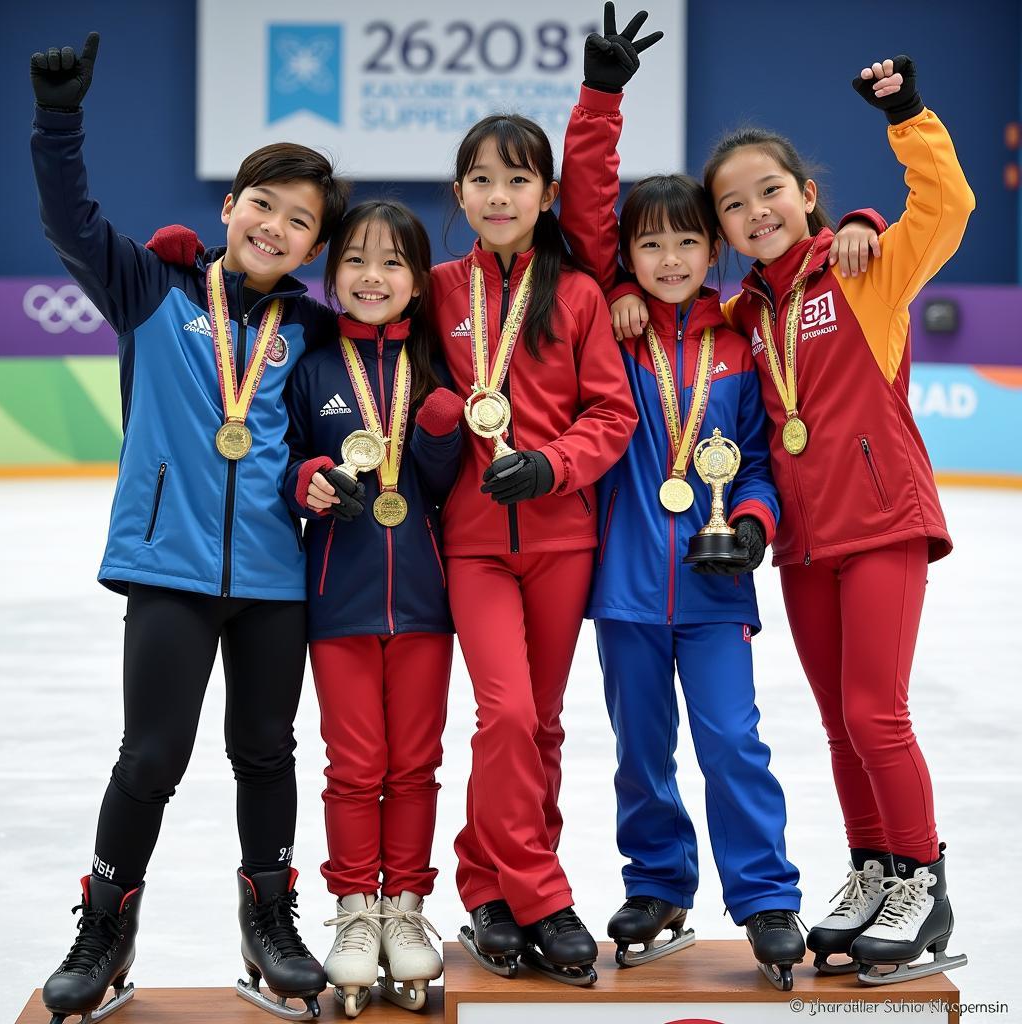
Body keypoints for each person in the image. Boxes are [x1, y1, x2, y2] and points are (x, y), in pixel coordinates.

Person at [30, 33, 346, 1022]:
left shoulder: (309, 332)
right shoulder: (152, 290)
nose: (275, 226)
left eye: (299, 221)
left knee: (266, 748)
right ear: (229, 207)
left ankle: (271, 919)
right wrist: (59, 121)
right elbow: (70, 222)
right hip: (167, 567)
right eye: (264, 204)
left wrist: (316, 479)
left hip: (272, 577)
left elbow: (312, 442)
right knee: (151, 755)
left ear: (310, 247)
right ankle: (103, 924)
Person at [697, 55, 974, 985]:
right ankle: (874, 867)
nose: (755, 212)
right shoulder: (740, 314)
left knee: (874, 711)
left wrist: (908, 116)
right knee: (837, 721)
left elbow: (945, 211)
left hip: (883, 522)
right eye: (734, 206)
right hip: (806, 543)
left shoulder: (866, 272)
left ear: (807, 194)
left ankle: (923, 880)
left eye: (770, 191)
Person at [559, 5, 805, 991]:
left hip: (712, 589)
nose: (667, 261)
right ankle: (657, 884)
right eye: (647, 246)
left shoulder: (740, 341)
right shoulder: (606, 328)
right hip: (622, 587)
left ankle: (766, 896)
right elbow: (582, 211)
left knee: (732, 740)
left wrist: (749, 529)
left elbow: (752, 462)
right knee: (641, 750)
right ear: (627, 256)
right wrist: (600, 100)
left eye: (686, 244)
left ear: (715, 251)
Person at [429, 112, 638, 987]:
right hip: (474, 545)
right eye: (482, 179)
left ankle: (491, 891)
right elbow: (402, 383)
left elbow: (613, 414)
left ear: (547, 195)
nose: (500, 195)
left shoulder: (579, 292)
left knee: (540, 726)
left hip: (561, 538)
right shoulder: (436, 286)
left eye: (519, 180)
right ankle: (543, 895)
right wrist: (447, 416)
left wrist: (552, 466)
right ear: (460, 194)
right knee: (505, 715)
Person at [282, 200, 462, 1018]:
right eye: (355, 260)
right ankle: (356, 908)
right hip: (340, 603)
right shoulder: (313, 362)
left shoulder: (439, 360)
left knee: (414, 763)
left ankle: (407, 909)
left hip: (425, 602)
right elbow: (286, 462)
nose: (372, 277)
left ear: (418, 281)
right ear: (330, 274)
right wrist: (311, 476)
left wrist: (435, 430)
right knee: (353, 767)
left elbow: (441, 483)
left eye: (392, 263)